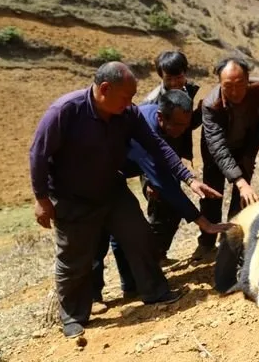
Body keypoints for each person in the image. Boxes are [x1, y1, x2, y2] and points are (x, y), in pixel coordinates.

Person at [29, 62, 228, 338]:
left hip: (111, 189)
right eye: (126, 97)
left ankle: (155, 291)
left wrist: (189, 177)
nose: (131, 103)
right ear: (105, 89)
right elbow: (37, 154)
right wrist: (41, 198)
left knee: (139, 235)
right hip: (71, 196)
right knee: (75, 257)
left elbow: (157, 146)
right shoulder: (65, 111)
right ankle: (74, 315)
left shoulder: (127, 113)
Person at [92, 90, 233, 309]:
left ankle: (132, 286)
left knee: (124, 232)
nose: (181, 130)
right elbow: (164, 182)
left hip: (114, 176)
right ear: (161, 117)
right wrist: (203, 222)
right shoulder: (146, 126)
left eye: (185, 125)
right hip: (95, 177)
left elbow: (167, 156)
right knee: (99, 237)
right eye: (177, 125)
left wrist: (189, 179)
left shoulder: (164, 124)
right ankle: (93, 297)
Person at [198, 57, 259, 259]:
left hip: (244, 146)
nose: (235, 92)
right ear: (219, 83)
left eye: (240, 85)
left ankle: (232, 239)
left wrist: (249, 155)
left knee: (242, 197)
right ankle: (206, 242)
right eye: (228, 86)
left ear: (248, 80)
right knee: (212, 194)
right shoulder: (211, 105)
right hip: (215, 153)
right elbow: (218, 147)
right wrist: (239, 180)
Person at [143, 50, 201, 165]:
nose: (174, 83)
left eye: (179, 77)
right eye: (169, 79)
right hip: (155, 159)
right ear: (161, 76)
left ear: (185, 73)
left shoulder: (188, 91)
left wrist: (200, 112)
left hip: (176, 154)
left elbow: (185, 124)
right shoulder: (152, 102)